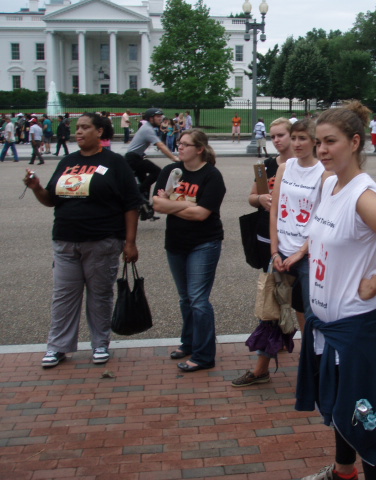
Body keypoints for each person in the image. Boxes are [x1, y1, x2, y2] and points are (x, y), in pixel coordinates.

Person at [296, 101, 376, 480]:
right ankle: (343, 472)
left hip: (355, 329)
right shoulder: (329, 182)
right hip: (327, 326)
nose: (321, 150)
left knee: (366, 417)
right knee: (340, 407)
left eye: (330, 142)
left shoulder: (364, 197)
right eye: (319, 142)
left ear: (355, 142)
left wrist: (374, 283)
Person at [23, 112, 141, 368]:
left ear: (100, 132)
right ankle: (58, 346)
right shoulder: (68, 161)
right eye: (78, 128)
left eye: (85, 127)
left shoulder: (115, 162)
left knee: (99, 296)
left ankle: (100, 343)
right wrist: (36, 188)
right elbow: (51, 200)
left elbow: (132, 204)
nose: (78, 132)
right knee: (64, 296)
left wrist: (130, 242)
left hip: (102, 240)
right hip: (66, 239)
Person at [232, 117, 305, 387]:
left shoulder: (313, 168)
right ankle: (263, 365)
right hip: (270, 241)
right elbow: (253, 196)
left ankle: (308, 361)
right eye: (273, 136)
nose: (277, 140)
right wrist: (260, 199)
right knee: (272, 302)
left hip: (301, 247)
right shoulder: (267, 166)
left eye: (282, 135)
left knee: (301, 306)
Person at [152, 129, 226, 372]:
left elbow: (202, 213)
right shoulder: (170, 171)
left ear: (199, 149)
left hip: (204, 243)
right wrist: (176, 207)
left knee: (198, 299)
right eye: (179, 143)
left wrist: (170, 205)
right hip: (175, 242)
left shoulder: (211, 176)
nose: (179, 147)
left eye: (185, 144)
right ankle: (190, 342)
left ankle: (204, 355)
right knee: (185, 298)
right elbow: (156, 203)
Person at [270, 118, 328, 335]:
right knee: (271, 311)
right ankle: (264, 364)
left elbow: (323, 218)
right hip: (282, 250)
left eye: (302, 138)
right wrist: (274, 251)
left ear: (314, 141)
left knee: (311, 312)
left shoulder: (324, 172)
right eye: (293, 138)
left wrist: (302, 252)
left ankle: (313, 361)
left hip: (307, 254)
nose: (297, 143)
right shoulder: (285, 168)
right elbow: (275, 210)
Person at [124, 108, 178, 218]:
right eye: (158, 117)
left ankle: (145, 211)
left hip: (136, 157)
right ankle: (137, 191)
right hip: (132, 159)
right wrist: (173, 158)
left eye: (161, 116)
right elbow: (161, 145)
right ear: (151, 118)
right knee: (157, 172)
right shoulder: (147, 129)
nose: (161, 119)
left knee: (146, 184)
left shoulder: (148, 128)